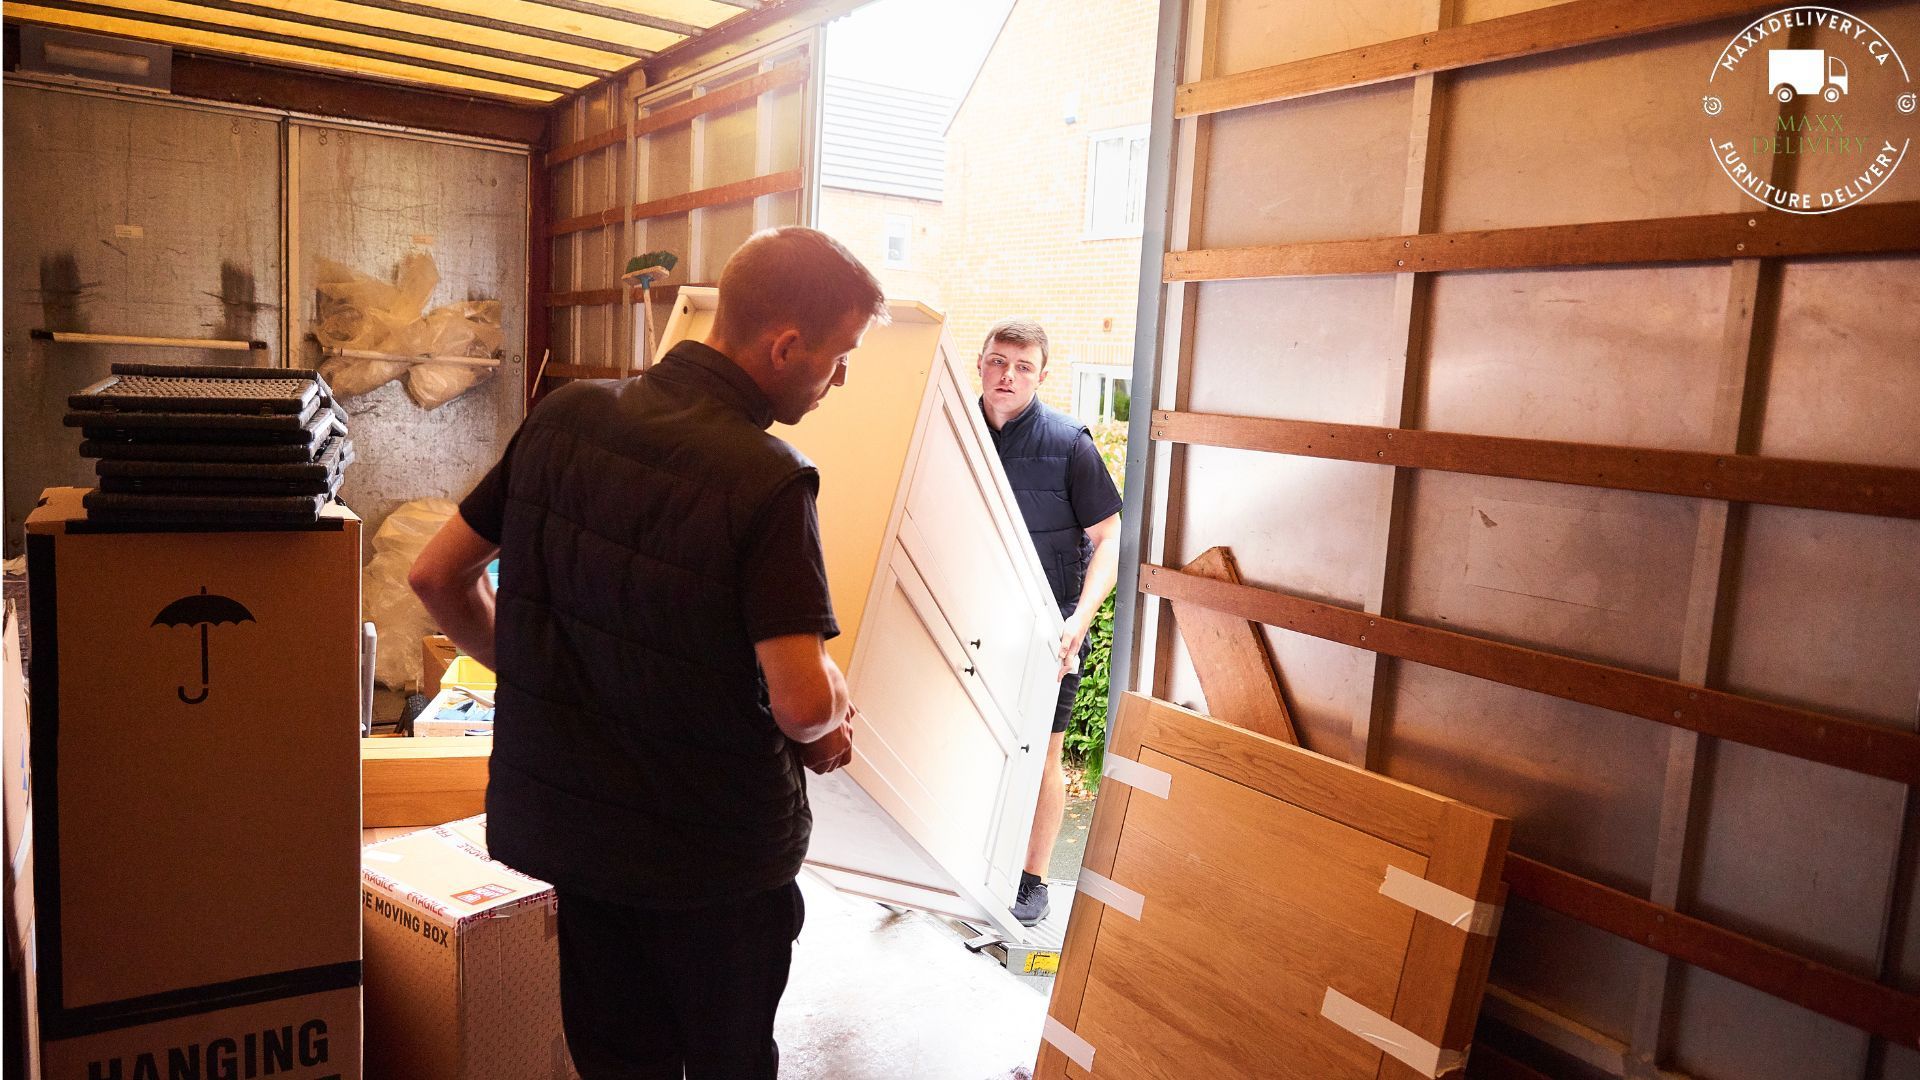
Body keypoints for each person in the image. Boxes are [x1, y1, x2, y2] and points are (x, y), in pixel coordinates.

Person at [408, 226, 888, 1080]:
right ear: (784, 346)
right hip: (712, 860)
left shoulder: (566, 417)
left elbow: (437, 575)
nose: (840, 378)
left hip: (578, 840)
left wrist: (531, 671)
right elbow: (804, 705)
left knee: (617, 1061)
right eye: (839, 356)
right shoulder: (769, 477)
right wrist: (835, 707)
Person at [975, 318, 1123, 927]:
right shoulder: (957, 430)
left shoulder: (1069, 443)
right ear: (980, 362)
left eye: (1023, 366)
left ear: (1042, 373)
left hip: (1049, 628)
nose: (1007, 375)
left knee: (1044, 756)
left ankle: (1032, 879)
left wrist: (1080, 621)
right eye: (997, 361)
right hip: (972, 617)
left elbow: (1109, 538)